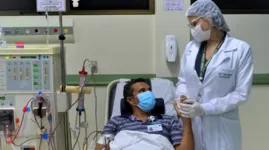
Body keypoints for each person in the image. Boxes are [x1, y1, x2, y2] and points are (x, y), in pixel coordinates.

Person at [175, 0, 254, 150]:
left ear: (209, 19)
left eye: (194, 24)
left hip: (222, 128)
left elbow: (241, 94)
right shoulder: (191, 48)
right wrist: (181, 97)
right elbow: (182, 80)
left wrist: (206, 108)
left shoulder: (240, 49)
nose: (192, 29)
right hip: (194, 125)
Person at [95, 78, 194, 150]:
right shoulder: (116, 121)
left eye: (149, 90)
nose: (149, 93)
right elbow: (101, 146)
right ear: (130, 100)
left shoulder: (169, 120)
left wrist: (186, 120)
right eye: (142, 91)